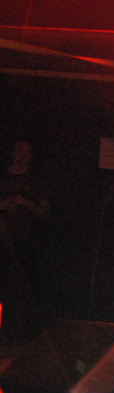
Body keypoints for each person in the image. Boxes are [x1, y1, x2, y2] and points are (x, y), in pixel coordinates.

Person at [0, 138, 51, 342]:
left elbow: (44, 212)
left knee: (21, 288)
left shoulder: (35, 181)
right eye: (20, 149)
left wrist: (25, 202)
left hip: (24, 241)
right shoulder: (3, 177)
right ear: (13, 152)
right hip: (3, 239)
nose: (24, 154)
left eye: (28, 151)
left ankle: (19, 333)